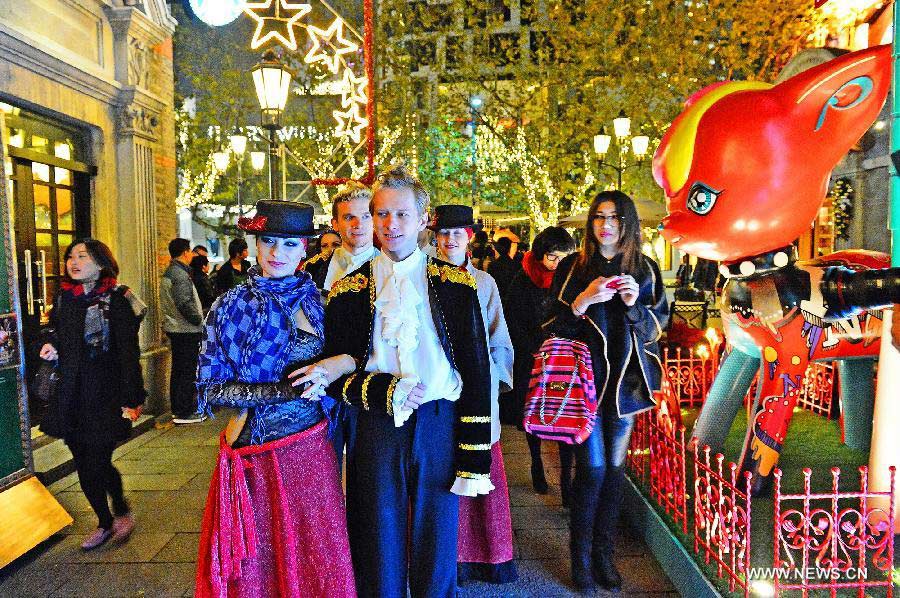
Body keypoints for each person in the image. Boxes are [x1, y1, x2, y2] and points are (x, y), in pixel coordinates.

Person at [319, 165, 493, 597]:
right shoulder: (348, 290)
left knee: (437, 541)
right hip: (375, 426)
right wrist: (382, 390)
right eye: (381, 214)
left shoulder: (456, 285)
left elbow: (476, 370)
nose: (389, 225)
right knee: (377, 537)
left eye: (400, 215)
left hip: (439, 422)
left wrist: (475, 454)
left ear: (421, 219)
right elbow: (335, 374)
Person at [195, 200, 355, 597]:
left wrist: (334, 371)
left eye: (288, 244)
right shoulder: (230, 306)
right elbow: (212, 389)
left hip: (313, 448)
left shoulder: (322, 303)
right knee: (261, 565)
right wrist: (283, 391)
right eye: (268, 241)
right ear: (253, 244)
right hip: (256, 452)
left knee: (314, 553)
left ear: (305, 249)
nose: (276, 253)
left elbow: (352, 361)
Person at [543, 190, 668, 591]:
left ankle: (603, 556)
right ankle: (581, 560)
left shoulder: (644, 270)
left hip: (626, 387)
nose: (606, 225)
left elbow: (657, 329)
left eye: (614, 217)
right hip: (583, 387)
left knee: (614, 472)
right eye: (599, 217)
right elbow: (548, 327)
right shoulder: (573, 268)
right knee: (592, 470)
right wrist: (581, 301)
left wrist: (634, 305)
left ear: (628, 224)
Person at [38, 239, 146, 550]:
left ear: (100, 262)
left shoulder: (119, 298)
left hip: (105, 395)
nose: (74, 262)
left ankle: (121, 509)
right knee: (83, 460)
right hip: (70, 393)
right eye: (70, 256)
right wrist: (48, 343)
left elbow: (129, 352)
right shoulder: (64, 298)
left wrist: (133, 397)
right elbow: (51, 330)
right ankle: (104, 521)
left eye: (82, 256)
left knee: (98, 459)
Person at [431, 205, 517, 585]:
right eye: (443, 233)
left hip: (479, 394)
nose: (450, 240)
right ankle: (445, 558)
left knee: (483, 468)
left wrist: (490, 382)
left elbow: (499, 339)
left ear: (469, 237)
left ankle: (487, 557)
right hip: (439, 392)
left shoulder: (486, 283)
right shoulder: (423, 279)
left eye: (458, 233)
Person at [301, 182, 379, 475]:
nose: (358, 225)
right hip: (322, 391)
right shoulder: (310, 272)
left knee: (369, 478)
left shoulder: (394, 268)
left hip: (372, 386)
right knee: (322, 471)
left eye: (366, 216)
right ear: (335, 223)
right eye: (349, 217)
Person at [504, 226, 576, 499]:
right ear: (540, 255)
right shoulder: (522, 279)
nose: (558, 264)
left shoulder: (573, 278)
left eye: (564, 257)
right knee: (534, 413)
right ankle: (536, 462)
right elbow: (511, 320)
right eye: (552, 257)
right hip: (532, 358)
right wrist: (533, 348)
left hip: (564, 358)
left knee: (566, 416)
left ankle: (567, 481)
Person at [160, 238, 206, 425]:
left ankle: (180, 408)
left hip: (178, 328)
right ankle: (183, 411)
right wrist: (198, 320)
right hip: (184, 329)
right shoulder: (179, 274)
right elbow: (184, 302)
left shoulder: (173, 272)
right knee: (185, 370)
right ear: (185, 252)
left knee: (180, 369)